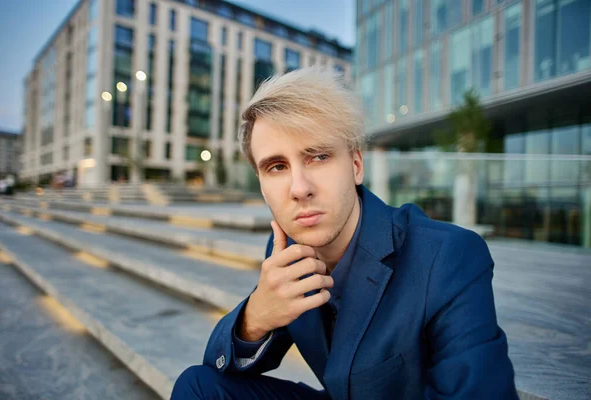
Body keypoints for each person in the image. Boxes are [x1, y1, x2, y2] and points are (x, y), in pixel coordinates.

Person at [171, 67, 518, 400]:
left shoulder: (449, 255)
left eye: (318, 157)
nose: (299, 188)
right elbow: (220, 362)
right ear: (262, 188)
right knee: (198, 388)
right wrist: (255, 317)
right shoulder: (288, 249)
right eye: (277, 167)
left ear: (355, 165)